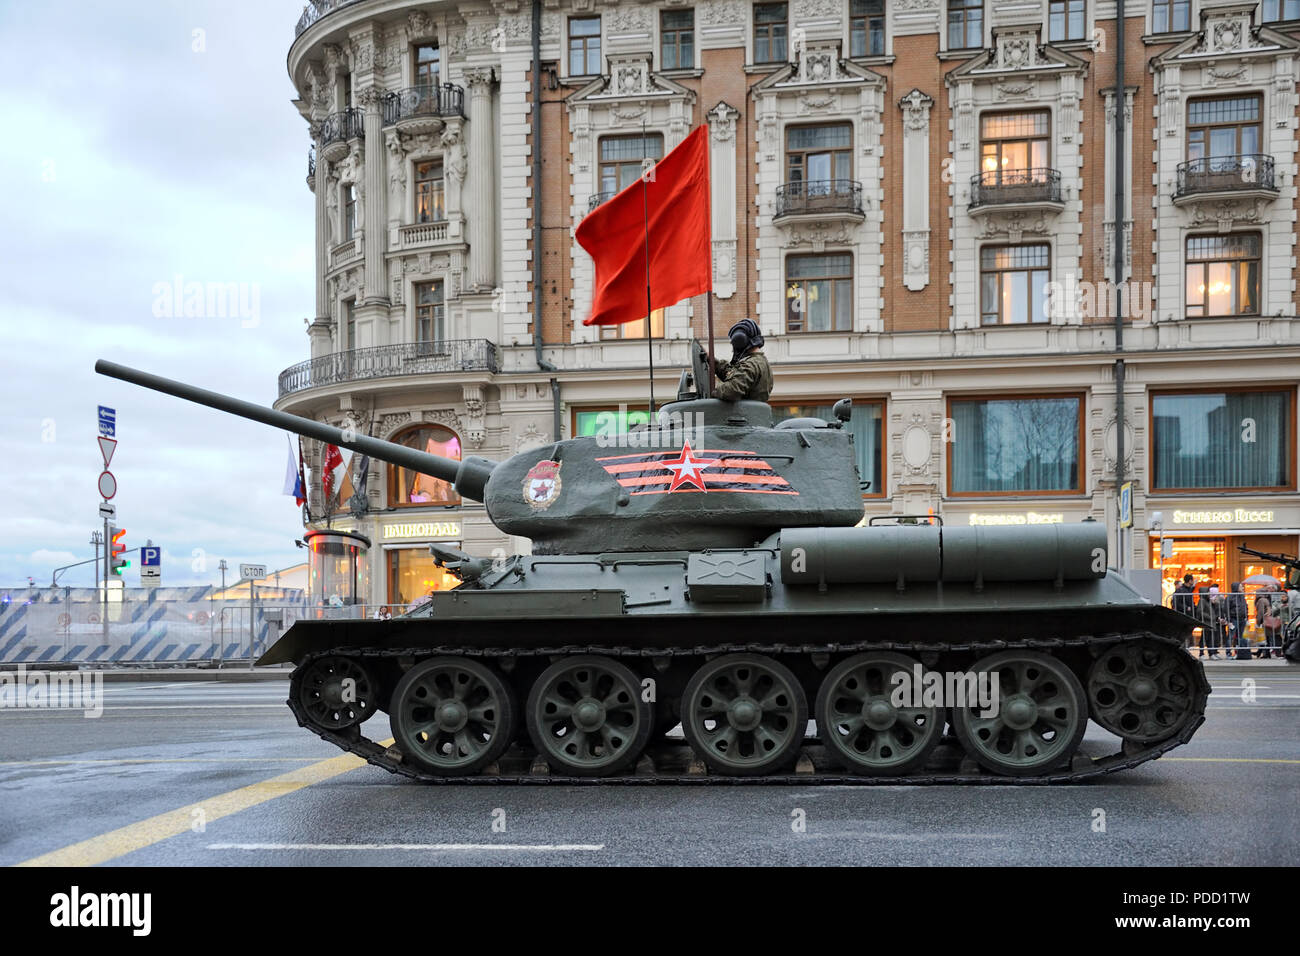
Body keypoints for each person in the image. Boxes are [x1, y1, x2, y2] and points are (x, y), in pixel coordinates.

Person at [710, 319, 773, 402]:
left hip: (744, 414)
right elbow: (736, 376)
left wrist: (713, 391)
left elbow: (730, 391)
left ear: (739, 342)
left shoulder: (750, 365)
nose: (733, 350)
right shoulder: (760, 362)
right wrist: (713, 362)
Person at [1256, 587, 1282, 658]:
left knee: (1266, 638)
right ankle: (1267, 653)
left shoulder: (1261, 600)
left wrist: (1258, 622)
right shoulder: (1268, 598)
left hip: (1265, 621)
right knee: (1270, 638)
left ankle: (1266, 654)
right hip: (1269, 621)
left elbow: (1260, 612)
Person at [1226, 583, 1249, 660]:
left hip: (1242, 619)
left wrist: (1246, 617)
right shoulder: (1230, 597)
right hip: (1233, 619)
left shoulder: (1242, 596)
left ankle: (1239, 652)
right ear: (1236, 587)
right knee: (1231, 636)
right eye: (1241, 586)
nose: (1242, 587)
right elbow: (1226, 609)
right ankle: (1228, 652)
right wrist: (1228, 620)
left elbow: (1245, 606)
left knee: (1240, 637)